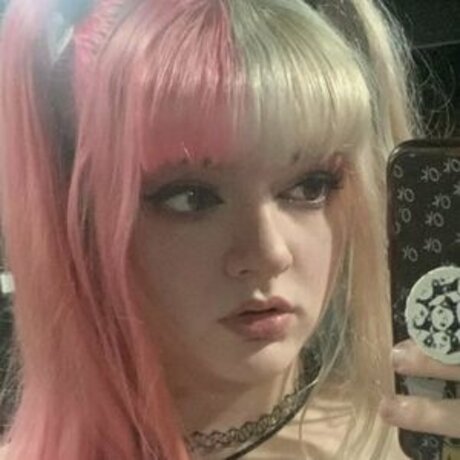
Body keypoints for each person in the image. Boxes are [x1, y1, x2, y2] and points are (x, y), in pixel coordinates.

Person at [0, 0, 458, 459]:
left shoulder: (415, 440)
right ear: (81, 219)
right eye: (190, 198)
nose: (269, 253)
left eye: (310, 187)